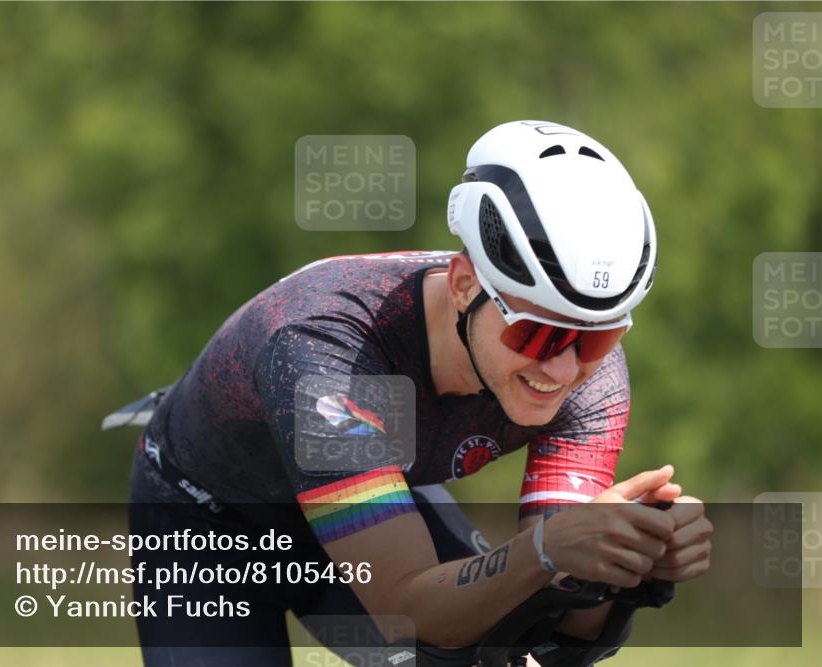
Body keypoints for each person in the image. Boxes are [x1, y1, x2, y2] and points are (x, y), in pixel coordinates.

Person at [120, 120, 713, 667]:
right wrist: (545, 550)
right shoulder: (328, 350)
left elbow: (554, 632)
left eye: (597, 337)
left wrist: (631, 566)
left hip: (372, 491)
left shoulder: (591, 374)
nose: (562, 369)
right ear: (464, 286)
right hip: (212, 524)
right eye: (535, 333)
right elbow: (411, 612)